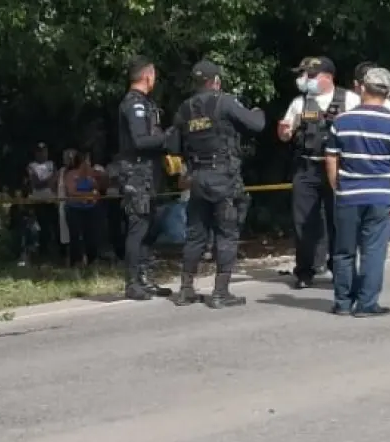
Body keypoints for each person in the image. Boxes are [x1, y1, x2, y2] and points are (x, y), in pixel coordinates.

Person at [167, 60, 266, 308]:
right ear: (216, 81)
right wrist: (257, 112)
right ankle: (220, 292)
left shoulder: (185, 109)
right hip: (223, 177)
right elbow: (257, 125)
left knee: (195, 235)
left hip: (197, 178)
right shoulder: (225, 102)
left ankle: (186, 289)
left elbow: (172, 147)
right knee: (226, 233)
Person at [323, 67, 390, 317]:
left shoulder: (341, 121)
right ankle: (366, 304)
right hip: (381, 196)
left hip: (348, 195)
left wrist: (336, 186)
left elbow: (331, 158)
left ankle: (342, 302)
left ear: (361, 88)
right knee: (373, 251)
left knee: (343, 251)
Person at [276, 56, 360, 289]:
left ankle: (340, 270)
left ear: (328, 77)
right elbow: (286, 133)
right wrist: (283, 132)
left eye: (311, 76)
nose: (305, 80)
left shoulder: (351, 100)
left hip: (340, 169)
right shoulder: (299, 103)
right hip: (307, 167)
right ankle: (305, 272)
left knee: (339, 221)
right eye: (303, 75)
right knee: (303, 221)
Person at [116, 56, 172, 300]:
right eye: (154, 76)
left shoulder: (148, 104)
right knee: (138, 227)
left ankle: (145, 277)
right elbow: (140, 141)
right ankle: (132, 282)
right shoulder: (133, 105)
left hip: (150, 175)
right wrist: (167, 138)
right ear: (147, 76)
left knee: (151, 226)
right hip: (136, 174)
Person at [61, 148, 105, 268]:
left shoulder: (90, 175)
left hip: (89, 208)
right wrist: (88, 195)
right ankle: (76, 261)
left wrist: (96, 183)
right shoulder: (71, 174)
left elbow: (97, 188)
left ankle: (93, 260)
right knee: (75, 236)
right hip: (74, 209)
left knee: (91, 235)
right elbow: (71, 191)